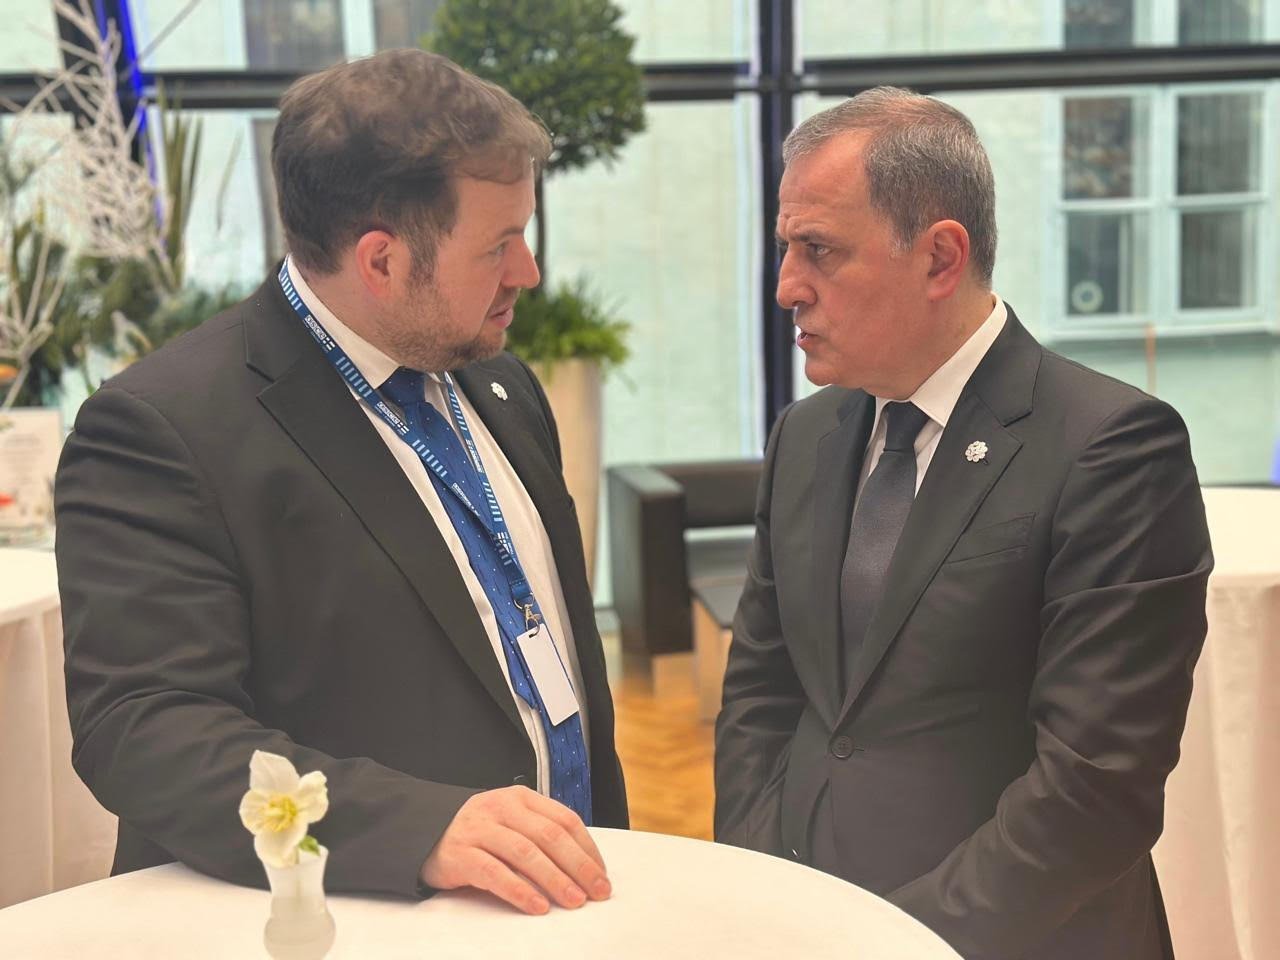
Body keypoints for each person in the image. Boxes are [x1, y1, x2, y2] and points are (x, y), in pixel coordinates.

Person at [55, 49, 626, 915]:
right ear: (381, 261)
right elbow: (148, 733)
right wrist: (418, 830)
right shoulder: (164, 428)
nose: (528, 273)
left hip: (553, 905)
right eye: (499, 246)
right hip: (339, 919)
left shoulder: (498, 379)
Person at [713, 86, 1211, 960]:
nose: (787, 286)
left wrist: (896, 942)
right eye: (786, 247)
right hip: (806, 923)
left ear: (941, 257)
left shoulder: (1110, 448)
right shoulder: (807, 435)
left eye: (819, 250)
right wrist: (768, 890)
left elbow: (1096, 785)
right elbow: (761, 694)